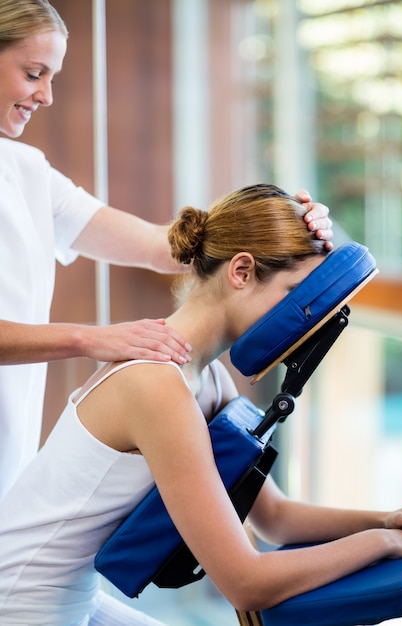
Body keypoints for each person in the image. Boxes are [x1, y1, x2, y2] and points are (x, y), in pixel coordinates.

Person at [0, 183, 402, 626]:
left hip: (70, 595)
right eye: (294, 292)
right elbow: (245, 582)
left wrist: (389, 521)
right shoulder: (157, 385)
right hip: (21, 603)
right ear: (241, 272)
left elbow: (275, 517)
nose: (302, 319)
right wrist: (385, 544)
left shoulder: (208, 378)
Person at [0, 0, 334, 503]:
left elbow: (166, 247)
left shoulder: (29, 174)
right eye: (33, 73)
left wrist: (282, 228)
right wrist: (91, 340)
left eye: (52, 76)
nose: (46, 95)